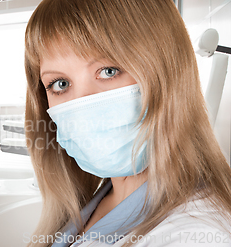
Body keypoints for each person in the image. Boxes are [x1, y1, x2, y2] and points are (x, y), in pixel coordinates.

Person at [24, 0, 231, 246]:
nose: (83, 105)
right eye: (60, 83)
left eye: (109, 71)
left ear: (167, 70)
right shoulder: (101, 197)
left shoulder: (194, 235)